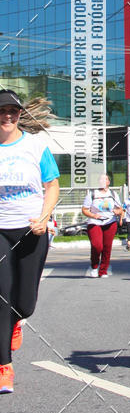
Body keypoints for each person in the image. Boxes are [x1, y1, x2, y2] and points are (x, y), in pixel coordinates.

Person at [0, 90, 60, 394]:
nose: (8, 116)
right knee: (1, 297)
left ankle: (16, 322)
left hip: (31, 231)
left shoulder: (36, 146)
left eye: (13, 111)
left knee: (24, 303)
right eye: (3, 111)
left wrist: (44, 216)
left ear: (20, 115)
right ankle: (4, 367)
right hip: (0, 230)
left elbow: (52, 185)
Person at [82, 174, 124, 277]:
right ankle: (94, 266)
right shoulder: (92, 194)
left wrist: (117, 211)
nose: (102, 181)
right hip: (95, 222)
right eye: (100, 179)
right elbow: (84, 210)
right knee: (97, 245)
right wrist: (93, 215)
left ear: (108, 182)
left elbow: (120, 209)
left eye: (105, 179)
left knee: (107, 247)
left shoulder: (113, 194)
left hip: (110, 222)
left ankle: (103, 270)